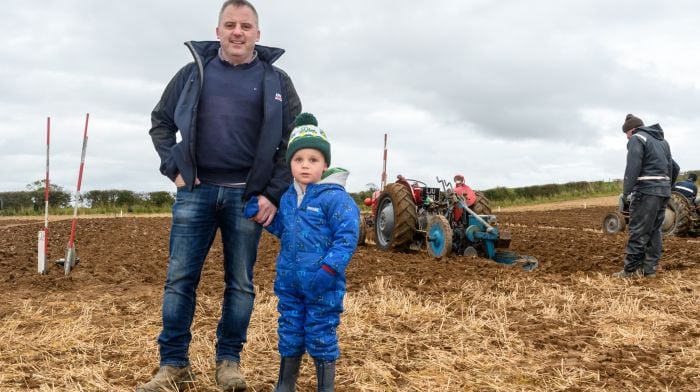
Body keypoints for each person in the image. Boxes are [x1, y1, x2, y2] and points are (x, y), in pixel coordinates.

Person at [139, 0, 301, 391]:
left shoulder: (277, 81)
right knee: (180, 280)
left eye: (246, 26)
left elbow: (292, 143)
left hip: (247, 198)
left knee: (241, 283)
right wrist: (174, 169)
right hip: (194, 193)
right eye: (230, 24)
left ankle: (229, 362)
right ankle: (173, 363)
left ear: (258, 35)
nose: (237, 32)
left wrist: (273, 194)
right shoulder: (192, 74)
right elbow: (160, 122)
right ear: (218, 32)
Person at [245, 113, 360, 391]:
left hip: (323, 282)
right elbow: (285, 229)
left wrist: (329, 270)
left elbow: (347, 238)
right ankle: (285, 384)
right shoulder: (287, 196)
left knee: (321, 332)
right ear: (290, 164)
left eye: (313, 160)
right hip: (290, 282)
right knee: (290, 329)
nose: (305, 165)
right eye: (298, 160)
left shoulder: (335, 197)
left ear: (325, 164)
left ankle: (325, 386)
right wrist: (264, 218)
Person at [613, 114, 679, 279]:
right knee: (654, 231)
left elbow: (633, 167)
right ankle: (649, 270)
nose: (627, 137)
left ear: (632, 129)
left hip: (646, 192)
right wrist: (667, 187)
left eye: (626, 133)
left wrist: (626, 192)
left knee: (638, 231)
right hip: (663, 193)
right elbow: (674, 167)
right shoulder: (662, 142)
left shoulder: (637, 138)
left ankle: (630, 271)